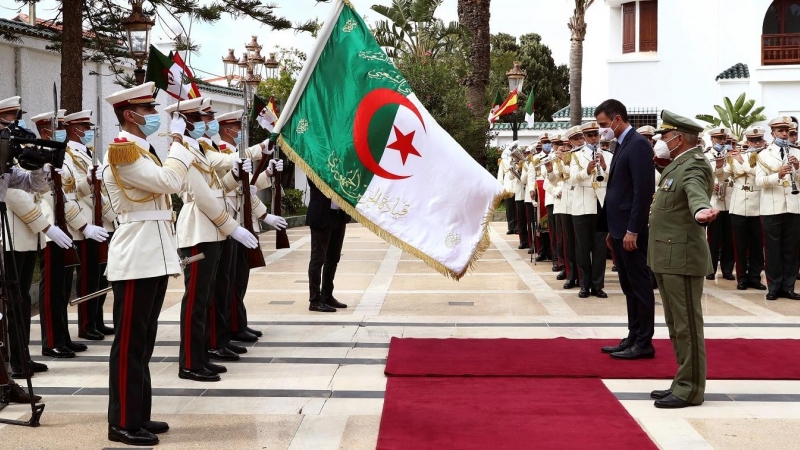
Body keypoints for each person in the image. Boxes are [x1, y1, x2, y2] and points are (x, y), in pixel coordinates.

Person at [103, 82, 194, 446]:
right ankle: (122, 422)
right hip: (135, 256)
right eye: (148, 109)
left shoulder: (144, 151)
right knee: (128, 343)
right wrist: (178, 144)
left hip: (153, 255)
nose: (154, 115)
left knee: (144, 341)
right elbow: (170, 181)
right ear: (129, 114)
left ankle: (137, 413)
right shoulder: (123, 152)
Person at [166, 97, 259, 382]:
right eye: (198, 119)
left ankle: (203, 355)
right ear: (184, 122)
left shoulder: (199, 149)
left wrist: (239, 168)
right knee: (195, 302)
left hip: (211, 230)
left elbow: (220, 184)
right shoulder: (181, 152)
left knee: (206, 299)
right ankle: (190, 363)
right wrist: (231, 227)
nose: (206, 123)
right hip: (197, 231)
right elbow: (202, 197)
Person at [648, 109, 717, 409]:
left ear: (678, 138)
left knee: (687, 324)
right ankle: (682, 380)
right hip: (668, 255)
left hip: (682, 256)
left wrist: (701, 210)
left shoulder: (694, 165)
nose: (661, 139)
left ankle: (690, 389)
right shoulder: (677, 164)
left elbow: (696, 193)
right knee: (676, 324)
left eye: (665, 135)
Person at [210, 108, 287, 354]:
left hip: (242, 219)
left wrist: (267, 174)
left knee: (240, 277)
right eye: (235, 126)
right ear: (225, 128)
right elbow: (230, 187)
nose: (239, 130)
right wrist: (264, 214)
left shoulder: (232, 152)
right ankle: (230, 328)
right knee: (229, 281)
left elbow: (250, 186)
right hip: (230, 220)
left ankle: (237, 323)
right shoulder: (218, 152)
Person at [595, 99, 656, 360]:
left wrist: (633, 229)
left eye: (604, 125)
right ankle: (633, 335)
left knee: (640, 285)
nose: (602, 130)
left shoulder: (638, 145)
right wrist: (612, 229)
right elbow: (617, 189)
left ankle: (644, 342)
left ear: (617, 119)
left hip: (632, 231)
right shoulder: (622, 144)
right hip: (619, 229)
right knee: (628, 285)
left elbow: (643, 192)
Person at [63, 110, 112, 341]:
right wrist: (88, 180)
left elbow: (103, 190)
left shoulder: (89, 153)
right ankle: (86, 324)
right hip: (83, 225)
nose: (90, 131)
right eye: (86, 127)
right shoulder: (66, 156)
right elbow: (70, 192)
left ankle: (97, 319)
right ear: (74, 129)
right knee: (87, 277)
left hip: (99, 221)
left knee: (100, 276)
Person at [755, 116, 800, 301]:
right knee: (772, 250)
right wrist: (777, 175)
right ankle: (773, 287)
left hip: (793, 207)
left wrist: (798, 169)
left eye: (786, 131)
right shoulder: (763, 154)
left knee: (791, 250)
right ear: (773, 133)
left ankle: (788, 287)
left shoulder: (797, 153)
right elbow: (759, 181)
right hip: (772, 209)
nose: (784, 134)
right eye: (780, 130)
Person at [570, 121, 611, 298]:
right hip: (582, 205)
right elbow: (572, 179)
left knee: (600, 248)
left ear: (600, 136)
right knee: (583, 248)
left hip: (601, 204)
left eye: (596, 134)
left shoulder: (608, 155)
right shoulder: (575, 156)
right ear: (585, 137)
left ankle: (598, 285)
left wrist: (604, 166)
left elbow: (613, 178)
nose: (593, 138)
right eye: (590, 135)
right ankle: (584, 285)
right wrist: (587, 170)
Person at [725, 127, 766, 290]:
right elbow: (724, 175)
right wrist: (720, 165)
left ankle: (755, 277)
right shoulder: (735, 155)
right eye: (753, 141)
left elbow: (759, 174)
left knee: (757, 244)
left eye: (759, 140)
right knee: (740, 244)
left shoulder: (765, 156)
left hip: (757, 204)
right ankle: (742, 277)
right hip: (739, 203)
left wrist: (742, 162)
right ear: (747, 142)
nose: (756, 143)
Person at [307, 179, 350, 312]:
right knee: (317, 259)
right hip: (321, 216)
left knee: (333, 258)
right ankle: (315, 300)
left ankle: (327, 295)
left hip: (339, 215)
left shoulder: (341, 164)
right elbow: (315, 182)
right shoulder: (316, 162)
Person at [703, 128, 735, 281]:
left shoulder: (731, 156)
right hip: (714, 203)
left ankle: (728, 270)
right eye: (718, 138)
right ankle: (711, 268)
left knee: (729, 238)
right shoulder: (705, 156)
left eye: (723, 138)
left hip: (729, 200)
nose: (722, 141)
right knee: (713, 239)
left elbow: (736, 175)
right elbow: (702, 177)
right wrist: (711, 186)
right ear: (712, 139)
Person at [497, 147, 516, 234]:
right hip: (507, 184)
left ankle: (517, 227)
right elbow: (500, 174)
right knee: (509, 207)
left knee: (517, 208)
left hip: (517, 183)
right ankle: (511, 227)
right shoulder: (503, 160)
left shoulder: (517, 159)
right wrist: (500, 187)